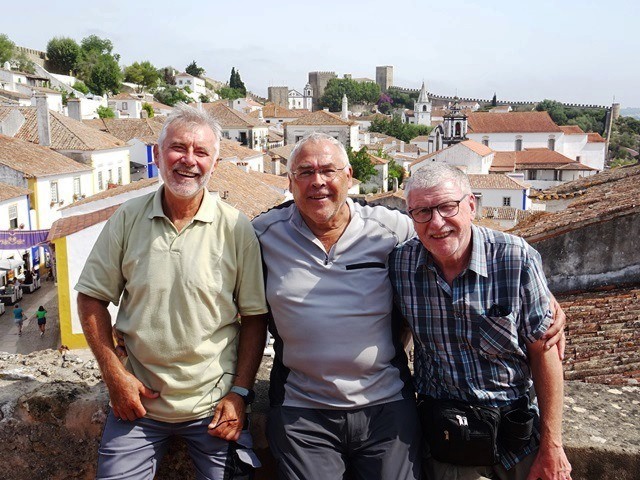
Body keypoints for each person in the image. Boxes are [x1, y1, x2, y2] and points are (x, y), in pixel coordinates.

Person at [252, 134, 566, 480]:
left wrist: (545, 300)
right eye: (305, 172)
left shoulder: (392, 230)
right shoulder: (264, 234)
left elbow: (455, 237)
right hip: (314, 409)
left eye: (328, 170)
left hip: (402, 409)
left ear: (349, 175)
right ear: (290, 180)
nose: (318, 182)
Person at [75, 104, 269, 480]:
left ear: (215, 162)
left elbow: (254, 318)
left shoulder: (235, 228)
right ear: (157, 154)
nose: (189, 160)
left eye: (201, 152)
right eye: (178, 147)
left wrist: (240, 394)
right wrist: (115, 377)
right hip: (138, 406)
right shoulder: (127, 218)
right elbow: (91, 297)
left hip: (214, 406)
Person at [389, 164, 572, 480]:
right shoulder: (401, 265)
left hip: (517, 441)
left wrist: (552, 446)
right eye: (422, 212)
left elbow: (545, 352)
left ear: (471, 205)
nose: (436, 222)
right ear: (411, 216)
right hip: (447, 440)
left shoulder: (515, 259)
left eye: (448, 207)